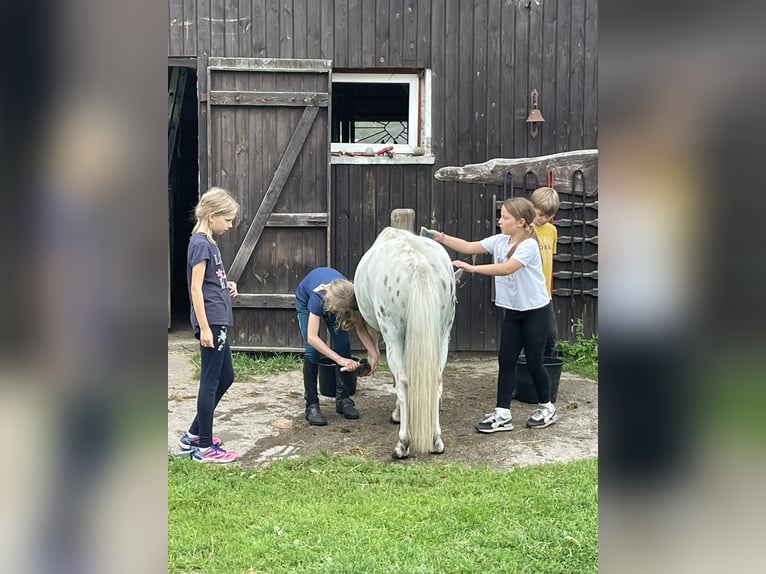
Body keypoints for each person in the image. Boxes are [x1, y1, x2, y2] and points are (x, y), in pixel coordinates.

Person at [422, 197, 557, 432]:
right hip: (514, 312)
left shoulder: (528, 246)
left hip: (536, 312)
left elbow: (507, 268)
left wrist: (472, 268)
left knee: (534, 361)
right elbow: (468, 246)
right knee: (506, 360)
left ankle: (547, 407)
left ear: (520, 222)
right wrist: (440, 237)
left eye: (505, 217)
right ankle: (503, 413)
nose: (500, 221)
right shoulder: (499, 241)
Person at [178, 187, 240, 463]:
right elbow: (195, 287)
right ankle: (204, 447)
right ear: (212, 215)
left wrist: (225, 286)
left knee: (226, 377)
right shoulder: (201, 243)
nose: (230, 225)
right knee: (211, 381)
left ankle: (193, 434)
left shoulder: (207, 241)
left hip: (219, 316)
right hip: (212, 321)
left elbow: (208, 281)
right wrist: (204, 327)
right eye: (227, 220)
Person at [295, 267, 380, 426]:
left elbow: (360, 328)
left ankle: (343, 400)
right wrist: (339, 359)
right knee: (312, 351)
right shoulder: (317, 297)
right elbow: (313, 338)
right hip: (307, 300)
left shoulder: (351, 296)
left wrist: (373, 352)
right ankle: (311, 406)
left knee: (343, 344)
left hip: (336, 302)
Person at [530, 186, 560, 357]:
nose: (544, 219)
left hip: (545, 294)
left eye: (549, 216)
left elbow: (549, 260)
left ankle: (545, 372)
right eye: (540, 214)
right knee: (530, 338)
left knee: (550, 337)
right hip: (528, 293)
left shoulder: (552, 230)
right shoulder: (525, 229)